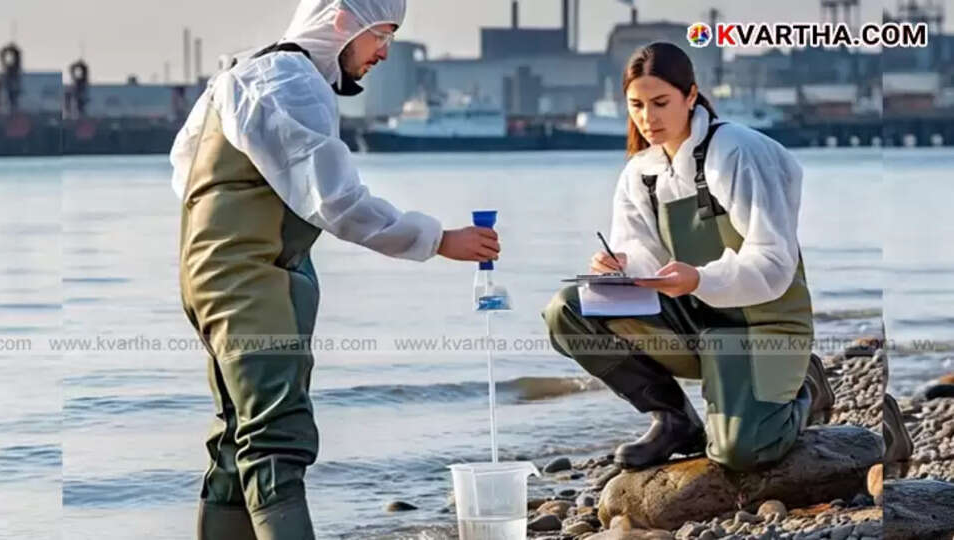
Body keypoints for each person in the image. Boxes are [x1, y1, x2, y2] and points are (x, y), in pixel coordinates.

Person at [169, 1, 500, 539]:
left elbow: (185, 168)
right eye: (381, 35)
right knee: (278, 441)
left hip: (216, 276)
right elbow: (338, 201)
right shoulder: (291, 82)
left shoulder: (239, 74)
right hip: (251, 283)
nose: (384, 53)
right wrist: (439, 239)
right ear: (342, 21)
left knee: (237, 440)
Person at [542, 42, 835, 473]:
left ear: (691, 96)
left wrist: (698, 279)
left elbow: (774, 262)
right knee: (567, 310)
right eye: (637, 105)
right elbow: (647, 259)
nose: (648, 118)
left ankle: (807, 389)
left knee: (740, 454)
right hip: (698, 322)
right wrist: (621, 267)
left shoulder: (736, 151)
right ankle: (674, 419)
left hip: (762, 324)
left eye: (661, 103)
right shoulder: (639, 172)